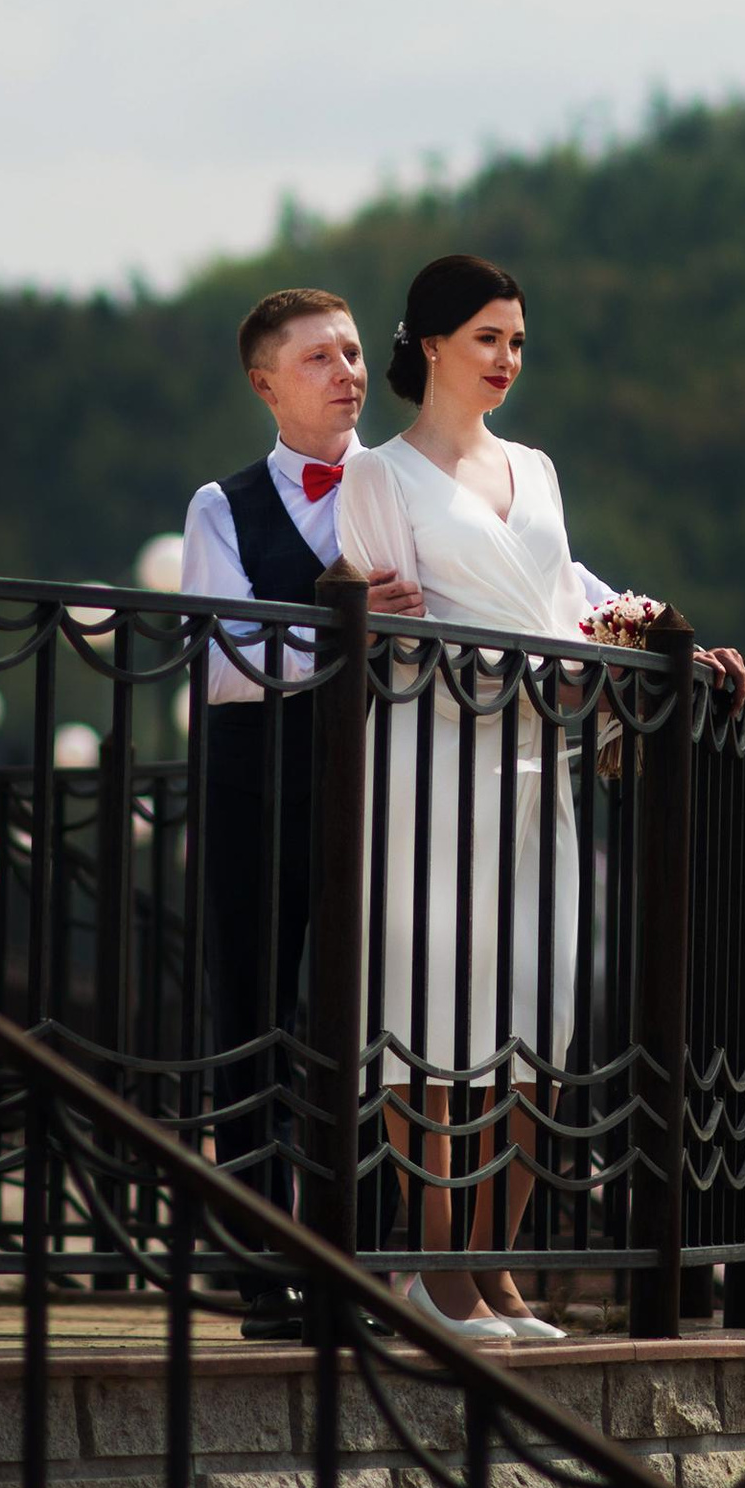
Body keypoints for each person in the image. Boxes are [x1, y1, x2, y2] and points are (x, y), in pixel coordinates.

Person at [336, 251, 745, 1344]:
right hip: (430, 760)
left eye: (518, 341)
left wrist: (650, 646)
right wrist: (536, 672)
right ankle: (437, 1270)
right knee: (430, 1013)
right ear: (430, 343)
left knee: (537, 1014)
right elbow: (391, 639)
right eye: (487, 337)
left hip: (535, 761)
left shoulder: (539, 469)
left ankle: (496, 1262)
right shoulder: (378, 475)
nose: (507, 358)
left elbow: (566, 598)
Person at [177, 286, 423, 1325]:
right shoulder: (221, 505)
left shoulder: (408, 485)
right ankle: (255, 1260)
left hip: (386, 794)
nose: (349, 371)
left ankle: (361, 1258)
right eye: (320, 356)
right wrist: (344, 628)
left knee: (372, 1024)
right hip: (254, 793)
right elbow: (221, 665)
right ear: (265, 383)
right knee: (253, 1023)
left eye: (354, 352)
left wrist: (629, 617)